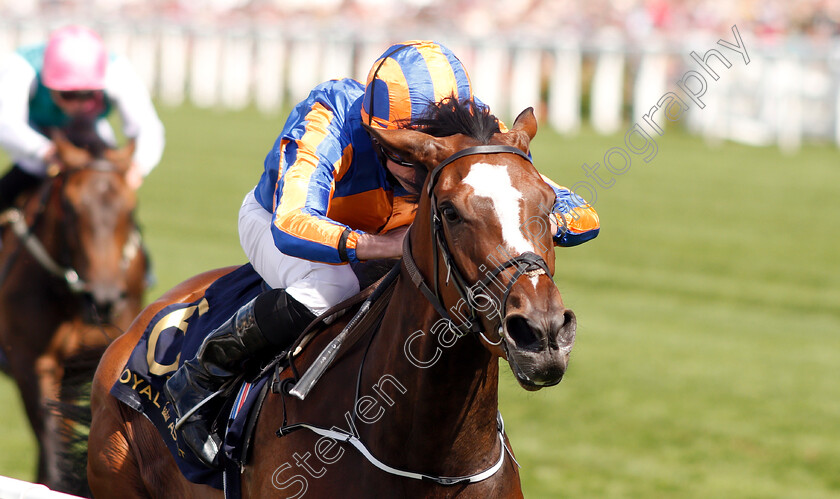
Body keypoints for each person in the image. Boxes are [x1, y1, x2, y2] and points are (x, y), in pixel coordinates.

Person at [164, 40, 601, 467]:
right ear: (380, 140)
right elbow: (291, 224)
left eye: (438, 155)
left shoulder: (477, 126)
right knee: (331, 285)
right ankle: (203, 374)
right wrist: (381, 246)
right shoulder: (329, 114)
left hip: (405, 229)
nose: (427, 170)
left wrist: (524, 225)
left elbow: (581, 213)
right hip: (280, 223)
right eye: (410, 157)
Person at [0, 25, 165, 209]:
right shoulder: (20, 67)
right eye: (68, 95)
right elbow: (6, 123)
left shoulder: (117, 71)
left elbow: (148, 127)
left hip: (93, 136)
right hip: (37, 140)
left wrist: (138, 167)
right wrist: (45, 151)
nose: (77, 105)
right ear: (48, 83)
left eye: (87, 95)